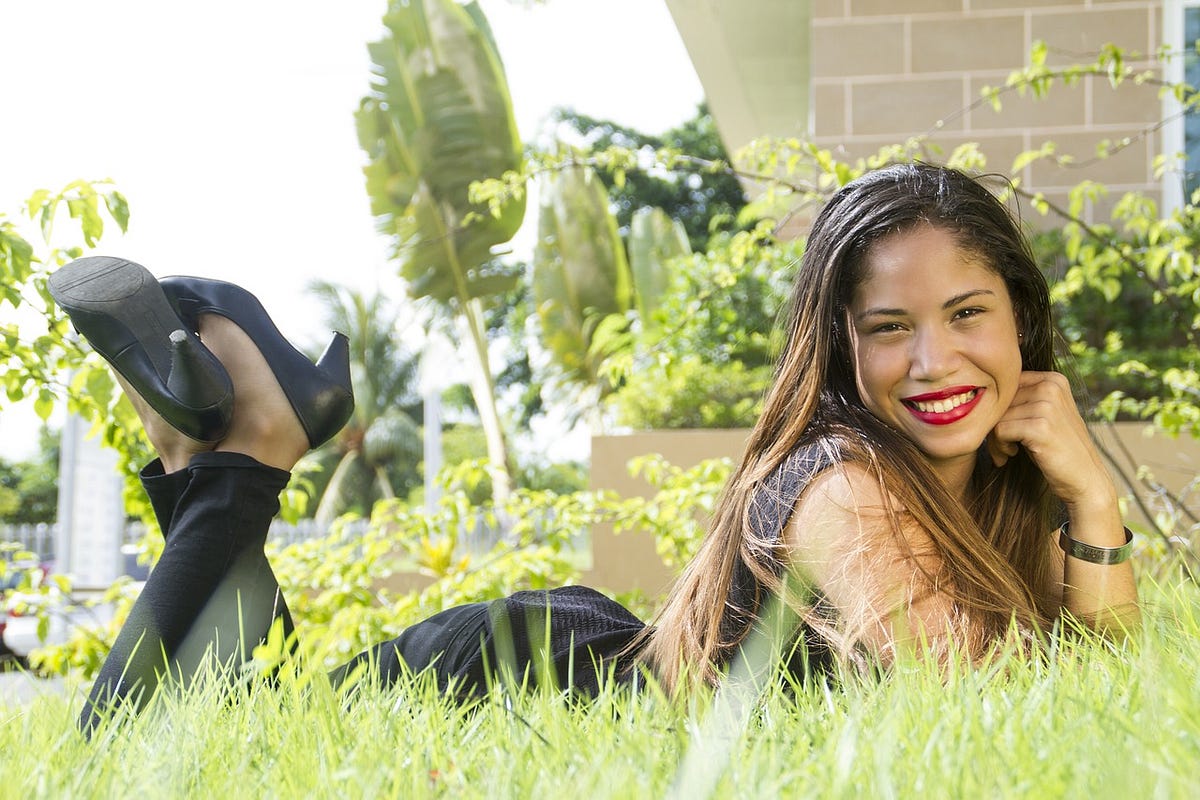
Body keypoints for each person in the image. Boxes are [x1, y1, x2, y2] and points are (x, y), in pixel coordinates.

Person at [51, 163, 1138, 736]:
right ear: (843, 349)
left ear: (1021, 318)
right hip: (515, 681)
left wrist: (1091, 503)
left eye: (967, 313)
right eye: (891, 327)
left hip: (577, 650)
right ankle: (244, 446)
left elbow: (1101, 680)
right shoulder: (848, 484)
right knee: (148, 749)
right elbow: (977, 706)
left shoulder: (1005, 484)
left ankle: (211, 441)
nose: (936, 361)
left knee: (241, 717)